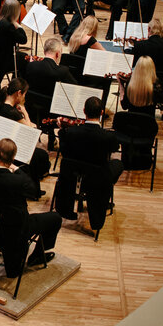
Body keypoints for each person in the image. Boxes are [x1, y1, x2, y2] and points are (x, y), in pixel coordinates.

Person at [0, 138, 61, 277]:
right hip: (15, 230)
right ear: (13, 158)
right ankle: (37, 256)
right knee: (55, 218)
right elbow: (34, 191)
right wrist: (15, 168)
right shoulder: (19, 180)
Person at [55, 96, 122, 232]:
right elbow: (115, 147)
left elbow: (64, 149)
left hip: (72, 175)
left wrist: (62, 130)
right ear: (102, 113)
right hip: (97, 179)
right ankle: (102, 198)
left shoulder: (71, 132)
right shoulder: (107, 136)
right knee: (118, 164)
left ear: (84, 111)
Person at [0, 78, 52, 184]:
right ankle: (32, 181)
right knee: (42, 155)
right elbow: (30, 132)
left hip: (0, 142)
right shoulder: (13, 113)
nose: (24, 97)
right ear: (18, 93)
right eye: (24, 94)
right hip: (12, 147)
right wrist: (25, 113)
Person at [0, 0, 27, 87]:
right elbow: (23, 40)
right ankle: (16, 85)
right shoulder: (8, 26)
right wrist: (16, 24)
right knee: (25, 58)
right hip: (4, 60)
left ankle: (14, 82)